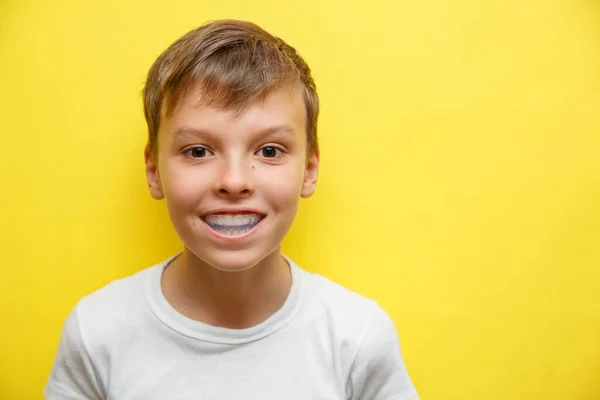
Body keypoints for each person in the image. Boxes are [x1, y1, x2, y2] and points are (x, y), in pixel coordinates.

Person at [44, 19, 419, 399]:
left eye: (269, 151)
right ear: (154, 170)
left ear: (308, 170)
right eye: (198, 151)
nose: (235, 180)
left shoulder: (358, 339)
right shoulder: (95, 333)